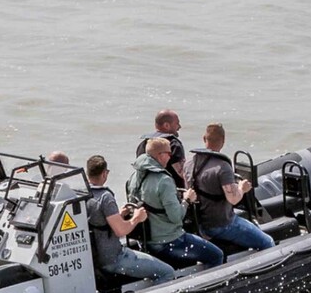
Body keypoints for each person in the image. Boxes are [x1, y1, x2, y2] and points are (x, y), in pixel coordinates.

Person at [129, 138, 224, 268]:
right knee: (216, 255)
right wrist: (187, 200)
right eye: (169, 153)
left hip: (147, 240)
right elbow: (176, 217)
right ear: (160, 155)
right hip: (169, 241)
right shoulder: (164, 181)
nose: (171, 157)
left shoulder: (134, 177)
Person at [185, 123, 275, 251]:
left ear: (204, 138)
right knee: (267, 242)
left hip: (199, 223)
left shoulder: (189, 162)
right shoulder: (222, 167)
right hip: (221, 224)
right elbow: (233, 199)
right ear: (223, 141)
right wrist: (242, 188)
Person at [85, 155, 175, 283]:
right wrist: (137, 218)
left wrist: (120, 215)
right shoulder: (105, 197)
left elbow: (99, 222)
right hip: (114, 258)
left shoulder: (86, 195)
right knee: (167, 272)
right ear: (105, 174)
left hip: (98, 257)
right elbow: (120, 231)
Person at [136, 109, 186, 188]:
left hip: (145, 191)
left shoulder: (143, 144)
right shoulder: (173, 144)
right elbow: (183, 173)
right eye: (177, 123)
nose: (179, 127)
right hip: (169, 192)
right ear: (166, 125)